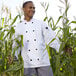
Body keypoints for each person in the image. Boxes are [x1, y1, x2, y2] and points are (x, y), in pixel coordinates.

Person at [15, 1, 60, 76]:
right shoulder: (19, 27)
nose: (32, 9)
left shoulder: (41, 23)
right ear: (24, 9)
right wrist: (14, 56)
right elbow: (16, 45)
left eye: (33, 8)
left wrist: (62, 49)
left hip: (43, 63)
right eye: (30, 7)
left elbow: (51, 38)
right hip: (28, 65)